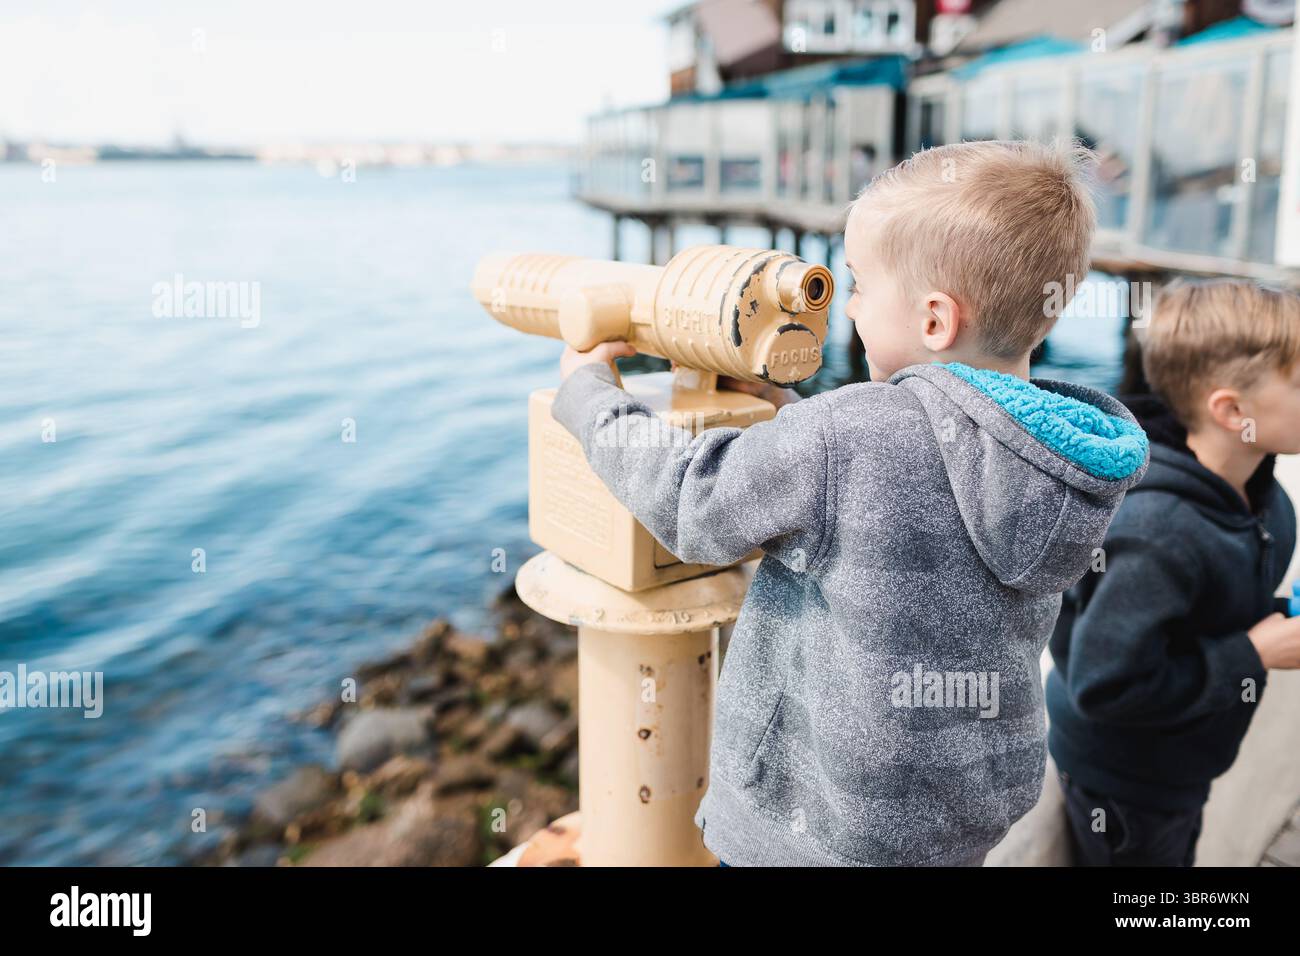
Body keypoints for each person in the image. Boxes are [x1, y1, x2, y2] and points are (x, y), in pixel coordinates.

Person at [551, 140, 1149, 866]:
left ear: (934, 321)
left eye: (860, 284)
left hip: (814, 826)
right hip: (955, 824)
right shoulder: (1059, 456)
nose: (849, 304)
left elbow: (693, 502)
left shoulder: (846, 436)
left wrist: (590, 399)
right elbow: (915, 462)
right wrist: (788, 412)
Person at [1048, 279, 1300, 866]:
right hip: (1127, 781)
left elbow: (1210, 605)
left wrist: (1270, 621)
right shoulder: (1160, 534)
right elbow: (1104, 683)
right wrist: (1252, 654)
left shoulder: (1263, 496)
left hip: (1183, 762)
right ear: (1232, 411)